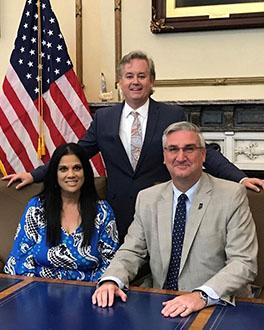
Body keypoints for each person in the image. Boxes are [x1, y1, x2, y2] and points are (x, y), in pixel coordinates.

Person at [2, 51, 264, 243]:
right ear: (120, 82)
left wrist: (239, 178)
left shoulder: (172, 115)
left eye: (142, 75)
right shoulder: (104, 119)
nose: (135, 81)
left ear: (152, 81)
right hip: (120, 212)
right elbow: (76, 153)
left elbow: (202, 152)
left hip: (165, 210)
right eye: (129, 76)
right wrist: (33, 174)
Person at [92, 122, 258, 318]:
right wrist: (111, 280)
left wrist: (201, 296)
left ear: (203, 154)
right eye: (173, 149)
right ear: (164, 156)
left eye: (189, 148)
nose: (181, 157)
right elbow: (131, 251)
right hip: (163, 305)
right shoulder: (147, 198)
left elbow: (244, 263)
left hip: (218, 306)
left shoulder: (231, 195)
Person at [4, 143, 119, 281]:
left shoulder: (102, 211)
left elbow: (110, 262)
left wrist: (94, 291)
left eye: (77, 168)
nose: (71, 174)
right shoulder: (37, 207)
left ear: (85, 172)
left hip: (89, 293)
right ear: (55, 174)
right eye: (63, 169)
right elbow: (19, 258)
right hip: (39, 290)